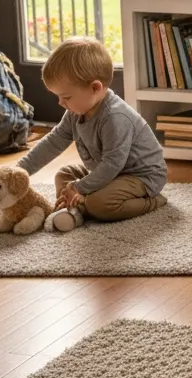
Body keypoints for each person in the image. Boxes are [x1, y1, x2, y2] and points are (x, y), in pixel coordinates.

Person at [16, 37, 168, 232]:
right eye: (58, 97)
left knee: (100, 204)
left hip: (141, 176)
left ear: (95, 88)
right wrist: (21, 171)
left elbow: (113, 164)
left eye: (67, 97)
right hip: (110, 173)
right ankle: (75, 208)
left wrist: (80, 188)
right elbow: (54, 142)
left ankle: (152, 201)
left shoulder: (115, 117)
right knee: (64, 174)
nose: (60, 103)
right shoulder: (75, 111)